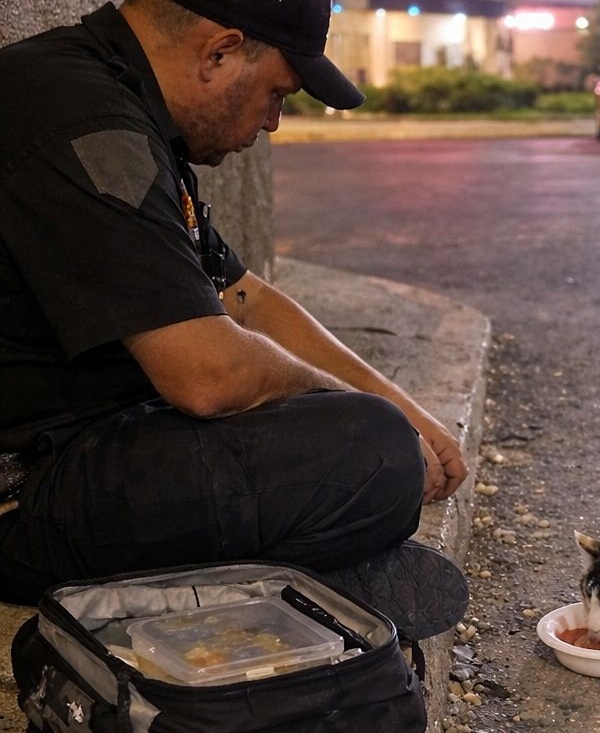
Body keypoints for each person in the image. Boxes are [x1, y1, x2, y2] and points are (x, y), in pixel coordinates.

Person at [0, 0, 469, 641]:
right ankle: (257, 590)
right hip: (23, 493)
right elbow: (208, 375)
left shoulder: (123, 101)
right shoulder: (82, 121)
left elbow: (243, 297)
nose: (274, 121)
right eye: (278, 92)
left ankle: (258, 578)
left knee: (375, 431)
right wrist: (378, 421)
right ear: (219, 52)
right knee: (374, 455)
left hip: (89, 440)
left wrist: (402, 407)